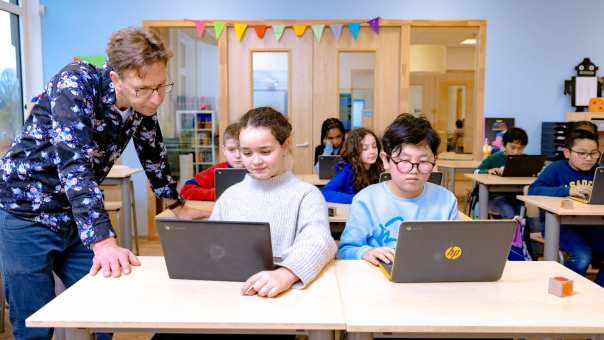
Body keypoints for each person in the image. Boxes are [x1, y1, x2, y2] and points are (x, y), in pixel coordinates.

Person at [0, 26, 208, 339]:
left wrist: (177, 205)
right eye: (144, 89)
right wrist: (103, 241)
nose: (156, 99)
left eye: (162, 86)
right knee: (34, 321)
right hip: (25, 212)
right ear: (116, 79)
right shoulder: (76, 82)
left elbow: (153, 151)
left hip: (75, 214)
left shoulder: (141, 103)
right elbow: (75, 165)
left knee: (105, 308)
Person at [211, 106, 336, 297]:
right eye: (247, 153)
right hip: (233, 293)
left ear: (285, 145)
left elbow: (318, 241)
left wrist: (286, 274)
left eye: (265, 151)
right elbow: (212, 244)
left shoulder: (306, 195)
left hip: (283, 296)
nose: (255, 161)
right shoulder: (230, 196)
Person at [337, 114, 458, 264]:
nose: (414, 170)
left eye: (424, 161)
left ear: (435, 160)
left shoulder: (446, 200)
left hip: (431, 278)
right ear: (386, 160)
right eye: (404, 161)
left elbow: (456, 249)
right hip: (380, 280)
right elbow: (345, 250)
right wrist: (366, 252)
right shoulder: (366, 200)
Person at [528, 129, 604, 287]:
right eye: (582, 153)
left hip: (593, 226)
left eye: (594, 153)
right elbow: (533, 190)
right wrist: (567, 190)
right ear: (567, 153)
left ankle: (597, 291)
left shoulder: (599, 170)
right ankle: (566, 289)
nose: (589, 158)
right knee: (582, 256)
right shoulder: (556, 169)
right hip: (560, 226)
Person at [180, 123, 243, 200]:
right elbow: (186, 191)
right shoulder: (217, 170)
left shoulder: (257, 170)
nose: (237, 155)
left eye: (242, 149)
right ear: (224, 150)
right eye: (231, 150)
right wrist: (216, 194)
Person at [319, 128, 383, 204]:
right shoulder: (348, 170)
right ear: (355, 152)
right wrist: (356, 198)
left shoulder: (377, 167)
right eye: (365, 148)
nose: (372, 151)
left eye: (374, 146)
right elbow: (325, 192)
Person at [476, 127, 529, 218]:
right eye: (512, 148)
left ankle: (520, 231)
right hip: (496, 196)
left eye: (520, 148)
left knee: (525, 215)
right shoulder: (496, 157)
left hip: (515, 196)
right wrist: (488, 171)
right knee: (509, 213)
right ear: (504, 145)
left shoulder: (525, 159)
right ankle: (508, 230)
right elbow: (476, 171)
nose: (516, 152)